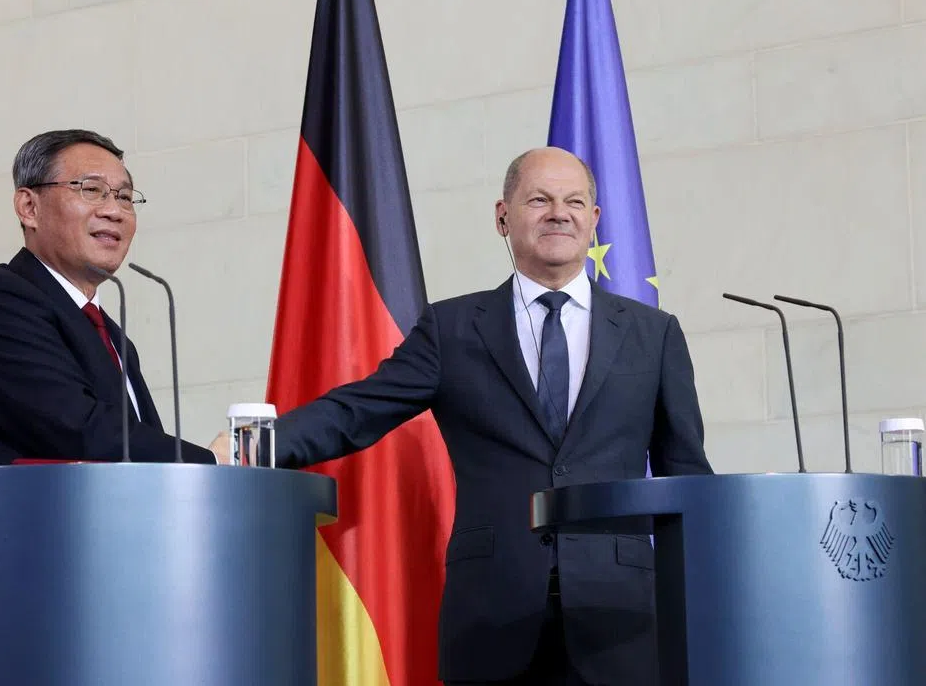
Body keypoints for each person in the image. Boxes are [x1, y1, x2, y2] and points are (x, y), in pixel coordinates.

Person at [215, 146, 713, 685]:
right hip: (492, 613)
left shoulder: (654, 334)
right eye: (539, 199)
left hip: (621, 618)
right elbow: (358, 408)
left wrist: (716, 592)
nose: (558, 213)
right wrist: (254, 445)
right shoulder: (452, 328)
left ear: (594, 219)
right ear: (503, 216)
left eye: (575, 201)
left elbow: (685, 475)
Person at [0, 129, 215, 685]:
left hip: (102, 606)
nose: (114, 211)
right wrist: (213, 464)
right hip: (7, 605)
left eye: (125, 196)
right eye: (91, 190)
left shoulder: (112, 333)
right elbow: (80, 431)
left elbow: (135, 470)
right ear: (28, 204)